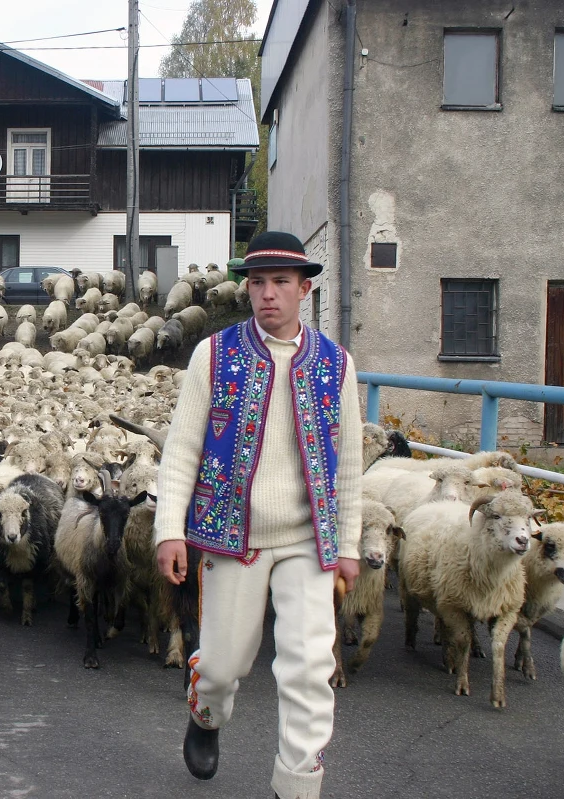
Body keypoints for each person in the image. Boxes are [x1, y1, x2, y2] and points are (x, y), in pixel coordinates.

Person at [153, 231, 362, 799]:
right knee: (222, 664)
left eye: (281, 283)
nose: (268, 294)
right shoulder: (213, 355)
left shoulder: (335, 366)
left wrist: (347, 547)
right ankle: (206, 713)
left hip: (306, 541)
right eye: (258, 282)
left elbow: (348, 465)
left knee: (307, 669)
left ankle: (296, 785)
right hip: (231, 536)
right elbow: (183, 449)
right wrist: (169, 529)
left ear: (305, 289)